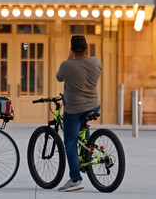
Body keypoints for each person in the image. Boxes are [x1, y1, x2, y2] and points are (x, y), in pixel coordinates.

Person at [54, 34, 102, 192]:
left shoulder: (67, 65)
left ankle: (75, 179)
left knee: (70, 143)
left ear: (72, 49)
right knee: (83, 128)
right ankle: (87, 155)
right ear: (86, 48)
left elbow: (59, 78)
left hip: (74, 109)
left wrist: (70, 57)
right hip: (93, 106)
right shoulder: (96, 62)